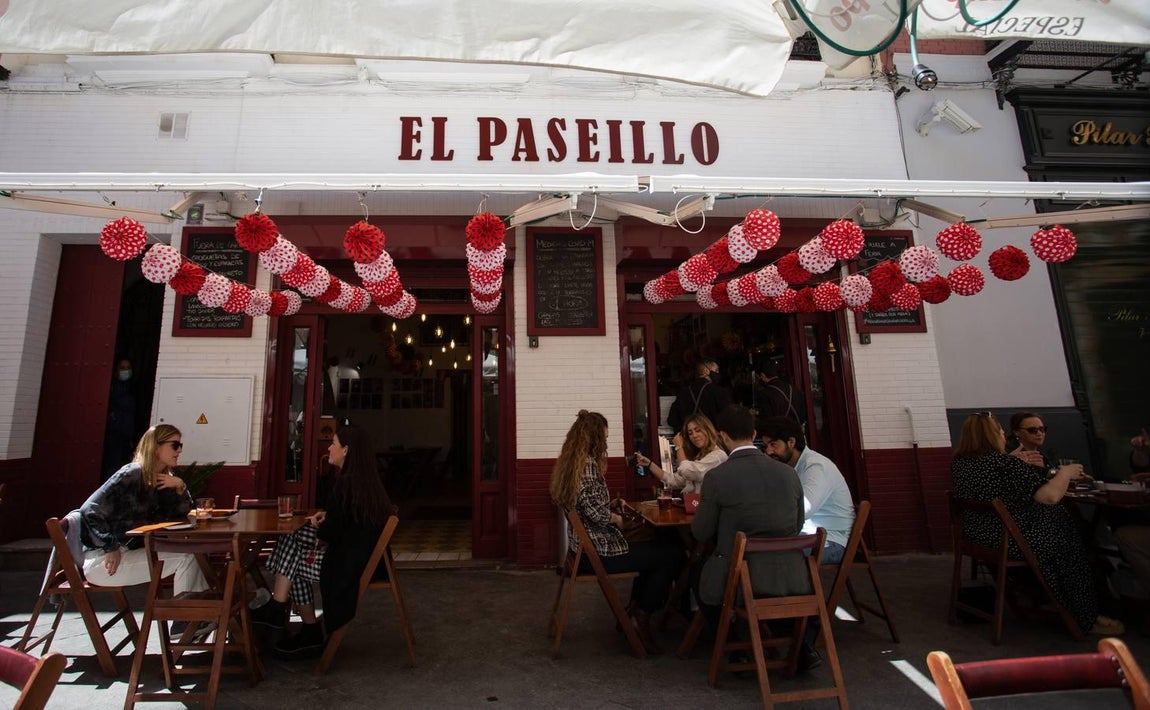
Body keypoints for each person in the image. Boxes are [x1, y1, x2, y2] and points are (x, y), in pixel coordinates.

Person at [950, 412, 1124, 636]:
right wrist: (1065, 472)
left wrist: (1015, 460)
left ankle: (1046, 596)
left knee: (1072, 534)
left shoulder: (962, 464)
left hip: (980, 536)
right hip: (1014, 540)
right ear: (992, 435)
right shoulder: (1004, 465)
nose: (1003, 434)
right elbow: (1049, 497)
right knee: (1077, 542)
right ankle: (1087, 613)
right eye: (1000, 431)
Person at [691, 405, 821, 670]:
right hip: (793, 577)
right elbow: (795, 526)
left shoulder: (717, 477)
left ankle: (737, 646)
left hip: (738, 577)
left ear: (722, 436)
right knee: (766, 580)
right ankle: (797, 645)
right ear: (753, 435)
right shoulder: (789, 474)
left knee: (697, 573)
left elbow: (701, 532)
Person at [251, 424, 392, 658]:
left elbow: (330, 535)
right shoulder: (362, 484)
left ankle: (289, 617)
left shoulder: (347, 485)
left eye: (333, 443)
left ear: (346, 450)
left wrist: (322, 524)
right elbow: (347, 522)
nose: (329, 448)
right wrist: (328, 517)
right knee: (291, 543)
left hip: (346, 568)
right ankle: (287, 615)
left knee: (291, 557)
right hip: (359, 560)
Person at [550, 410, 683, 655]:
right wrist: (617, 519)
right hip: (597, 553)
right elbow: (597, 515)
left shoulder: (573, 463)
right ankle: (640, 616)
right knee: (671, 555)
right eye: (605, 439)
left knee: (654, 550)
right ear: (594, 440)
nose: (607, 444)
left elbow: (586, 505)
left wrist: (610, 505)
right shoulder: (588, 466)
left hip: (582, 550)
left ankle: (633, 611)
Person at [81, 424, 207, 597]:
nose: (179, 451)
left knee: (192, 554)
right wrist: (110, 547)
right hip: (104, 561)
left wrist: (180, 486)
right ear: (156, 447)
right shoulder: (132, 474)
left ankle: (196, 617)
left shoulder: (161, 479)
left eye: (180, 446)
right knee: (188, 557)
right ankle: (187, 620)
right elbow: (89, 510)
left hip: (131, 553)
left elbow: (180, 514)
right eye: (175, 445)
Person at [759, 416, 855, 564]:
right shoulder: (790, 468)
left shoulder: (815, 466)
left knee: (765, 552)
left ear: (791, 442)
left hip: (831, 542)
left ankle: (794, 588)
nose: (768, 451)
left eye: (773, 444)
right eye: (766, 446)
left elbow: (804, 509)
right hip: (808, 537)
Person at [636, 414, 727, 495]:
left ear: (708, 430)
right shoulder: (699, 457)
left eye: (698, 430)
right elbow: (674, 480)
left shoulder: (718, 456)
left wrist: (679, 447)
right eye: (690, 433)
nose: (694, 435)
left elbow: (687, 471)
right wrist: (650, 464)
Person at [667, 358, 731, 432]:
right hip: (713, 437)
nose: (718, 373)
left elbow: (672, 420)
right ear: (706, 371)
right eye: (716, 370)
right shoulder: (719, 391)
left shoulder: (683, 393)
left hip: (691, 438)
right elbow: (728, 417)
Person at [102, 358, 138, 479]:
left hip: (128, 435)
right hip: (113, 434)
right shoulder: (110, 387)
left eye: (127, 368)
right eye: (122, 368)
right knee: (112, 465)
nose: (125, 371)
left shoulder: (134, 388)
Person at [755, 360, 806, 428]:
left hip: (779, 435)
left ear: (763, 375)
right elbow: (803, 413)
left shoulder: (764, 394)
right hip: (797, 432)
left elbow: (766, 421)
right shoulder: (793, 388)